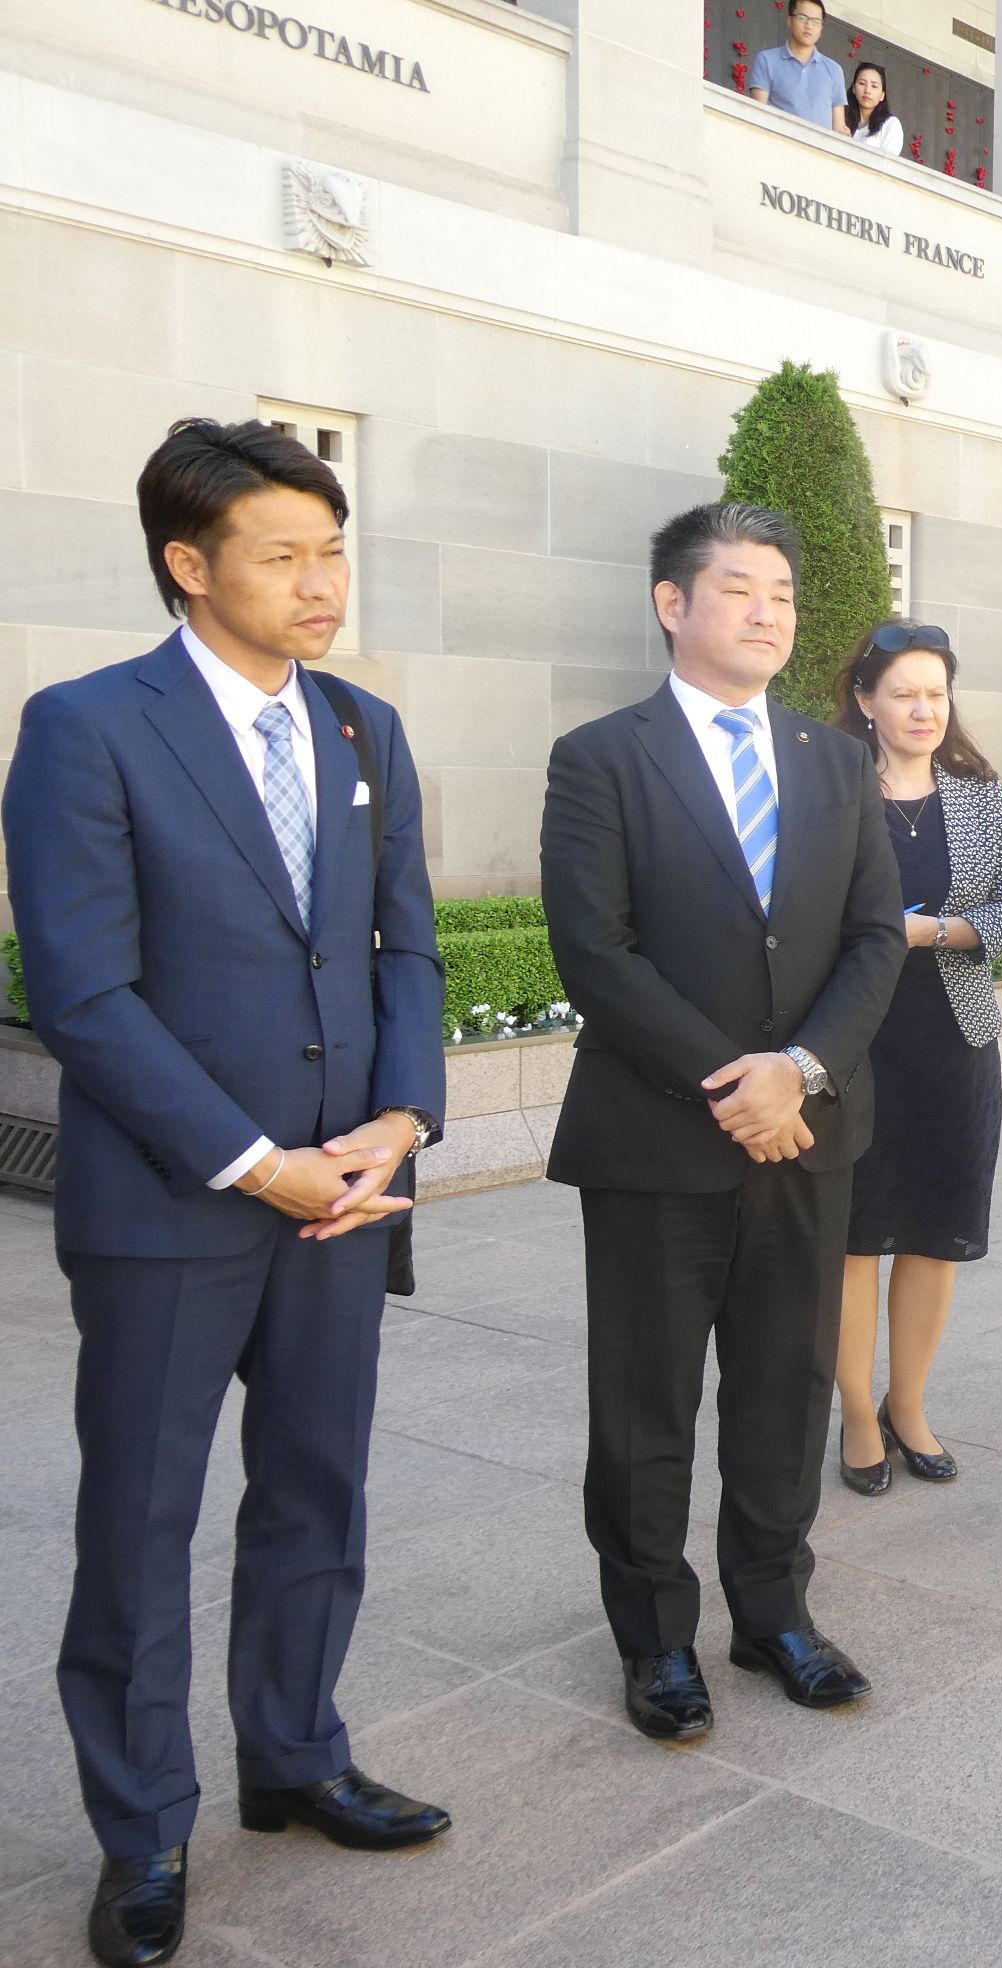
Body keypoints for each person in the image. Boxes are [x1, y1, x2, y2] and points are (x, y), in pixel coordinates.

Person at [3, 419, 450, 1968]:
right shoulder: (86, 728)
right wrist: (258, 1160)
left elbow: (406, 949)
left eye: (333, 550)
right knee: (141, 1523)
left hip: (345, 1198)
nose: (322, 583)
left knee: (316, 1494)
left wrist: (398, 1119)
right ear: (189, 567)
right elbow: (84, 994)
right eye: (285, 554)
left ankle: (295, 1753)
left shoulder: (363, 733)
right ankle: (142, 1833)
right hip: (179, 1207)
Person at [539, 503, 905, 1744]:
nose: (767, 613)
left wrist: (795, 1072)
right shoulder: (601, 758)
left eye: (783, 596)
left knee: (784, 1388)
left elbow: (870, 941)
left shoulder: (835, 762)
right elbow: (598, 951)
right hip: (656, 1141)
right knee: (646, 1405)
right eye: (740, 589)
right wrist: (734, 1083)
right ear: (671, 604)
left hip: (809, 1135)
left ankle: (772, 1614)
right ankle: (653, 1640)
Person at [827, 620, 1002, 1495]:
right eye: (904, 693)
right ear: (866, 701)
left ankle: (907, 1403)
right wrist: (878, 936)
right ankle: (858, 1415)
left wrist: (941, 931)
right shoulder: (827, 787)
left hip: (953, 1042)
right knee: (852, 1238)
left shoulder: (977, 793)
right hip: (849, 1044)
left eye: (936, 694)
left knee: (934, 1236)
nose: (923, 710)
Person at [746, 0, 848, 134]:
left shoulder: (834, 70)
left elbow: (839, 128)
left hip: (818, 151)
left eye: (816, 21)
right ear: (789, 20)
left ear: (821, 28)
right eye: (802, 18)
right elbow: (758, 115)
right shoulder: (767, 60)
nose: (808, 25)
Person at [843, 61, 904, 154]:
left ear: (882, 95)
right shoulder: (841, 117)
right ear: (854, 89)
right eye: (862, 83)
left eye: (874, 86)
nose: (867, 90)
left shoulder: (890, 124)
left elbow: (888, 163)